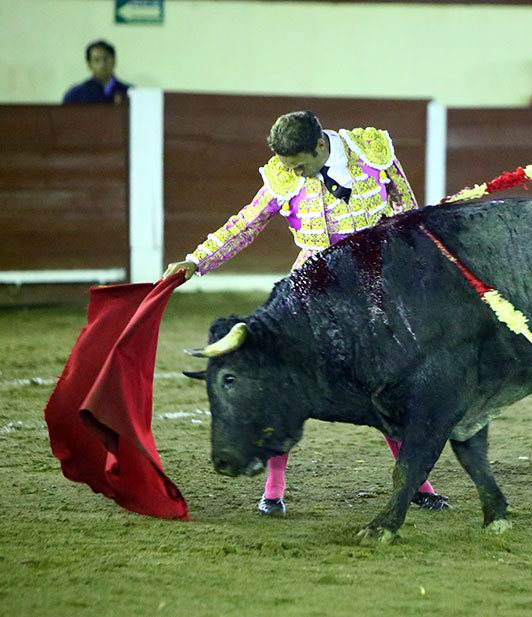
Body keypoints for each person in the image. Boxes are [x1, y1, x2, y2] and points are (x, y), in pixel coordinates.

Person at [163, 111, 450, 515]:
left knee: (386, 383)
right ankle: (273, 489)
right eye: (288, 166)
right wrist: (196, 261)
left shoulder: (372, 152)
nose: (294, 173)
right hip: (311, 287)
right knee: (281, 377)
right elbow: (246, 224)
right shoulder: (282, 175)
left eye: (299, 165)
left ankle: (418, 482)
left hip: (374, 283)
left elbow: (407, 211)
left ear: (320, 146)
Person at [63, 40, 130, 105]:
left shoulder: (128, 93)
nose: (102, 64)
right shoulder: (76, 95)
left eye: (106, 59)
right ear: (89, 65)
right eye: (97, 60)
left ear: (114, 62)